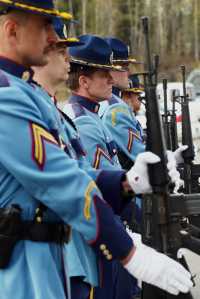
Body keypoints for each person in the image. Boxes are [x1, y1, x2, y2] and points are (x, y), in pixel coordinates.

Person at [0, 2, 192, 299]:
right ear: (12, 30)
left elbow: (75, 171)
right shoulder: (6, 97)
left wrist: (128, 182)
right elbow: (64, 183)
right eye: (45, 26)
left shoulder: (24, 92)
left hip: (46, 260)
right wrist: (130, 253)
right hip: (21, 269)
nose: (53, 38)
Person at [63, 34, 191, 299]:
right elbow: (100, 182)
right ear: (84, 81)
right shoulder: (85, 122)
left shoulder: (92, 117)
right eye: (104, 74)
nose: (113, 79)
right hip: (103, 232)